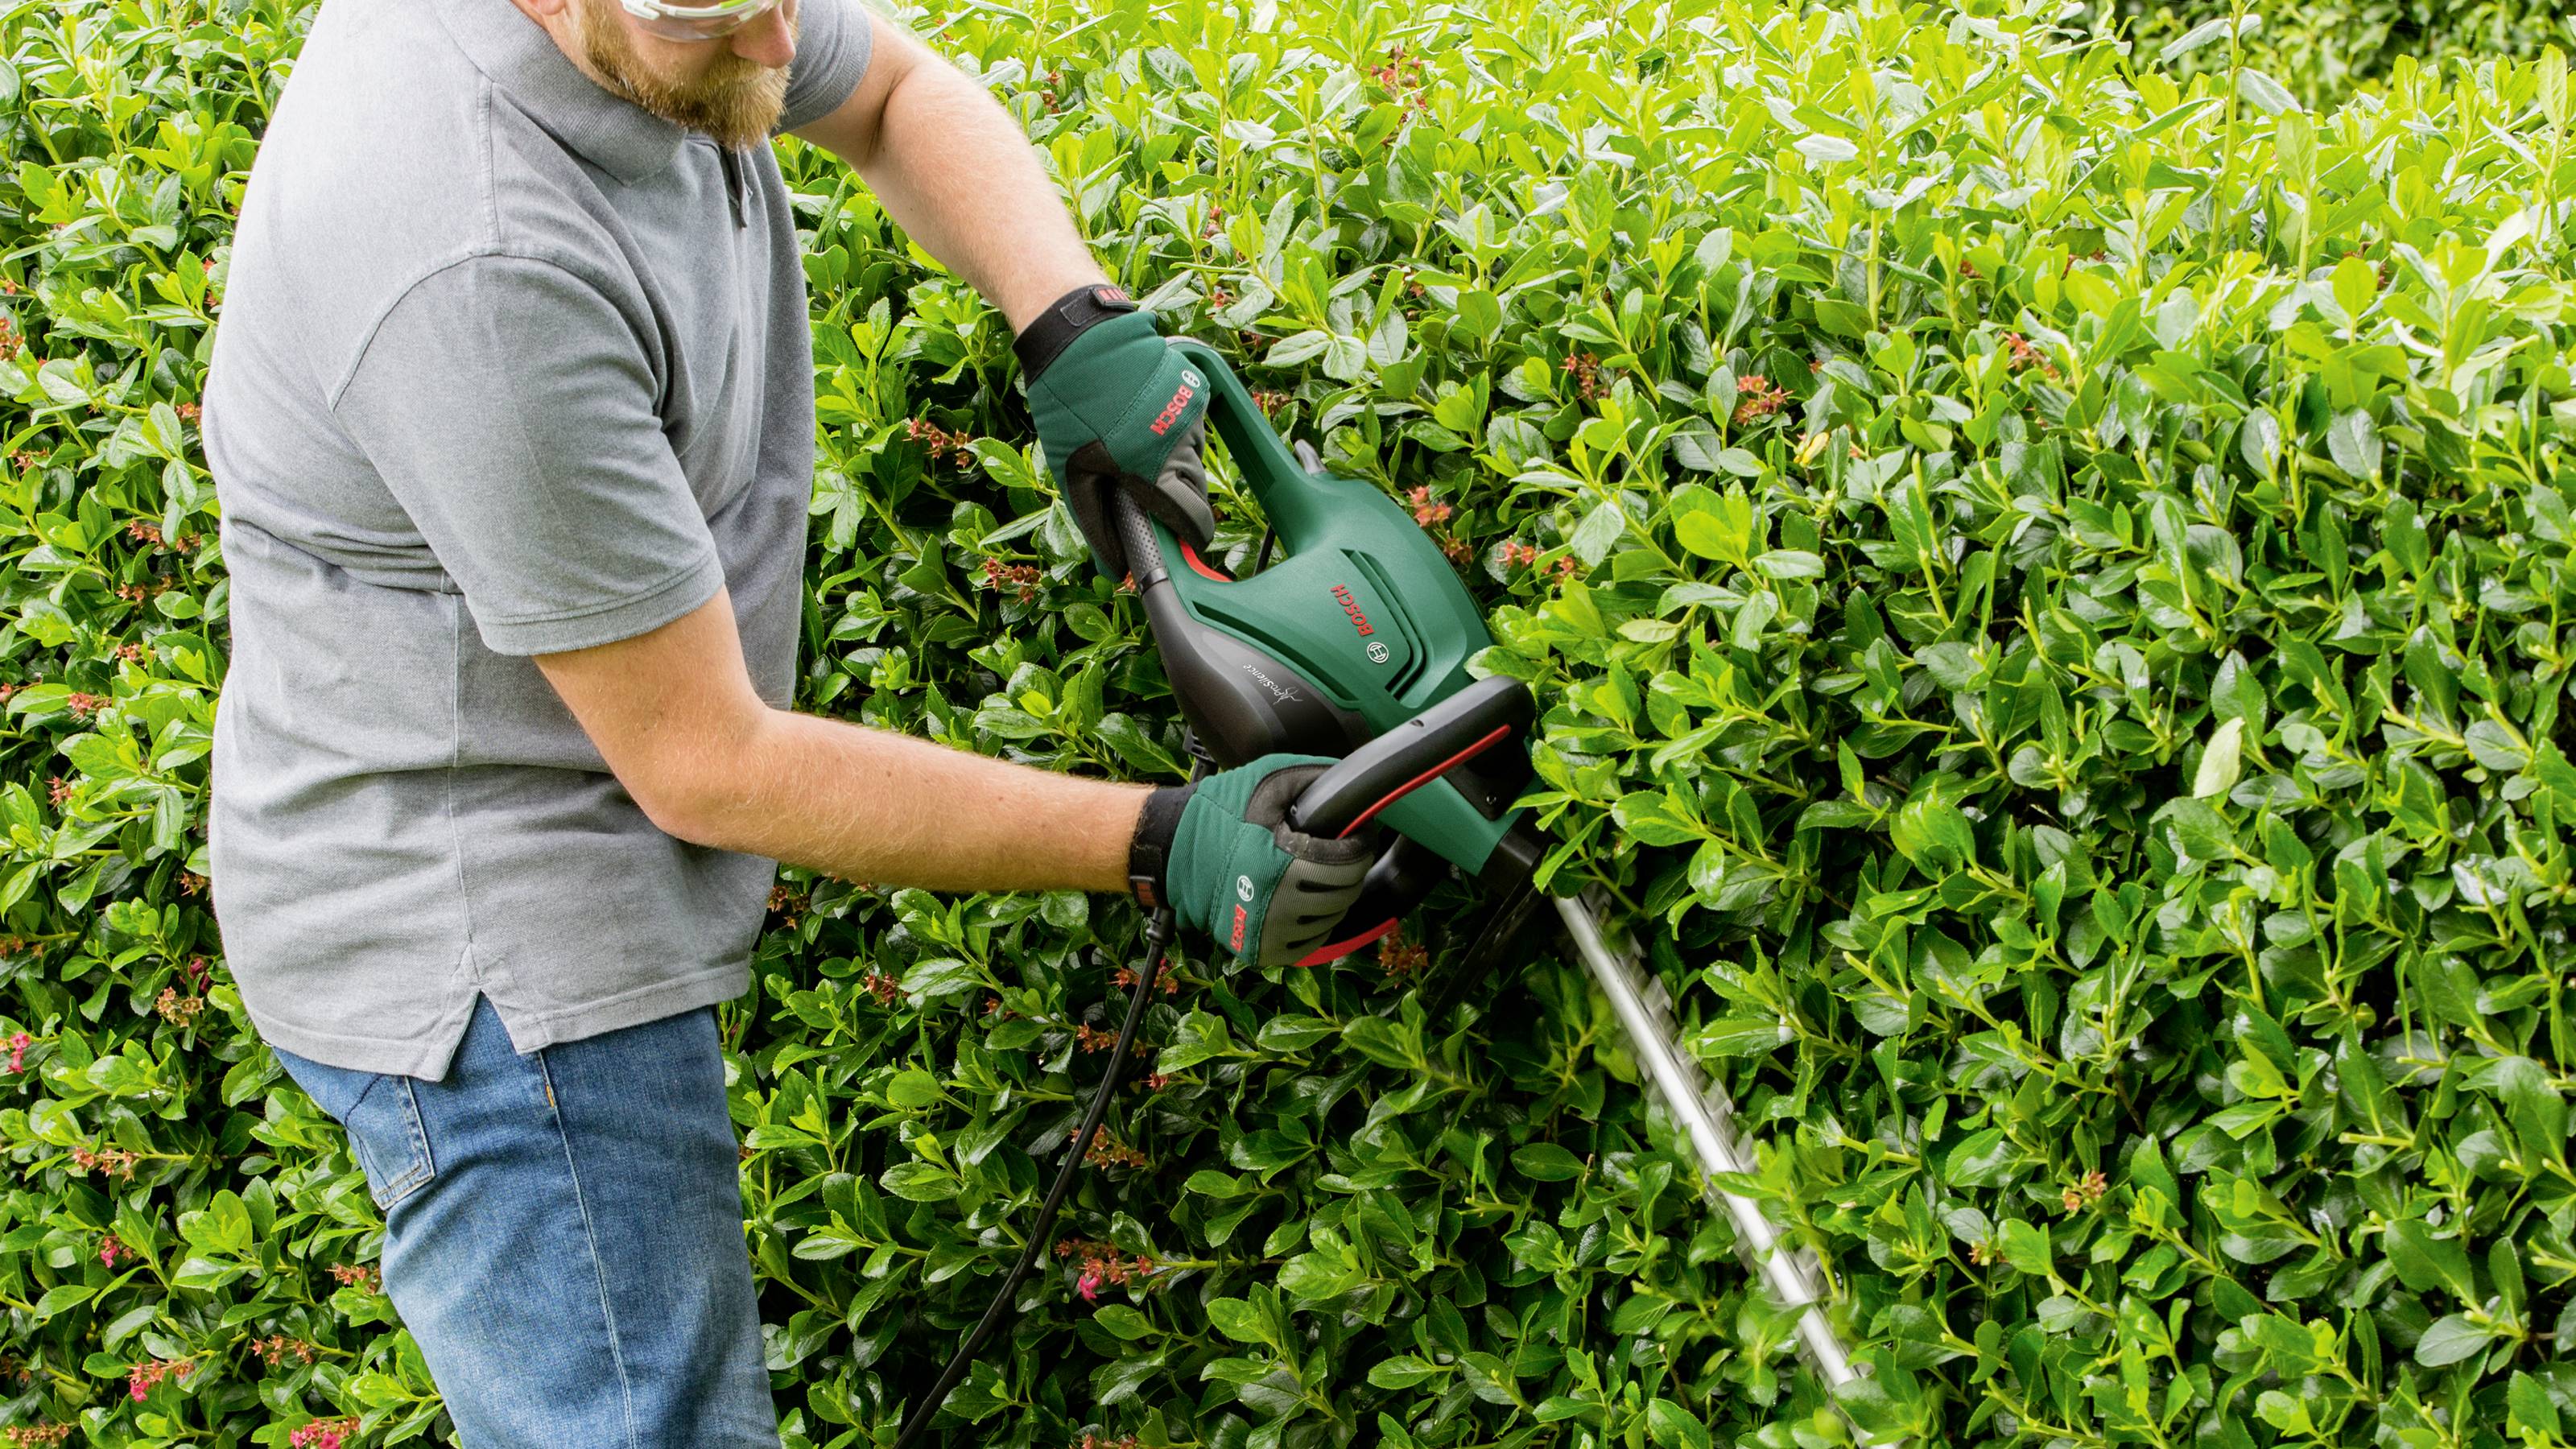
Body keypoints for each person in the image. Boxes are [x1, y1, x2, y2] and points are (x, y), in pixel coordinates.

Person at [199, 0, 1373, 1439]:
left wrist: (1072, 318)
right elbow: (707, 760)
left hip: (589, 816)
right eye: (719, 25)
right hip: (496, 953)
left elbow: (885, 92)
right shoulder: (472, 262)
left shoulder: (681, 15)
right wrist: (1164, 838)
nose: (774, 47)